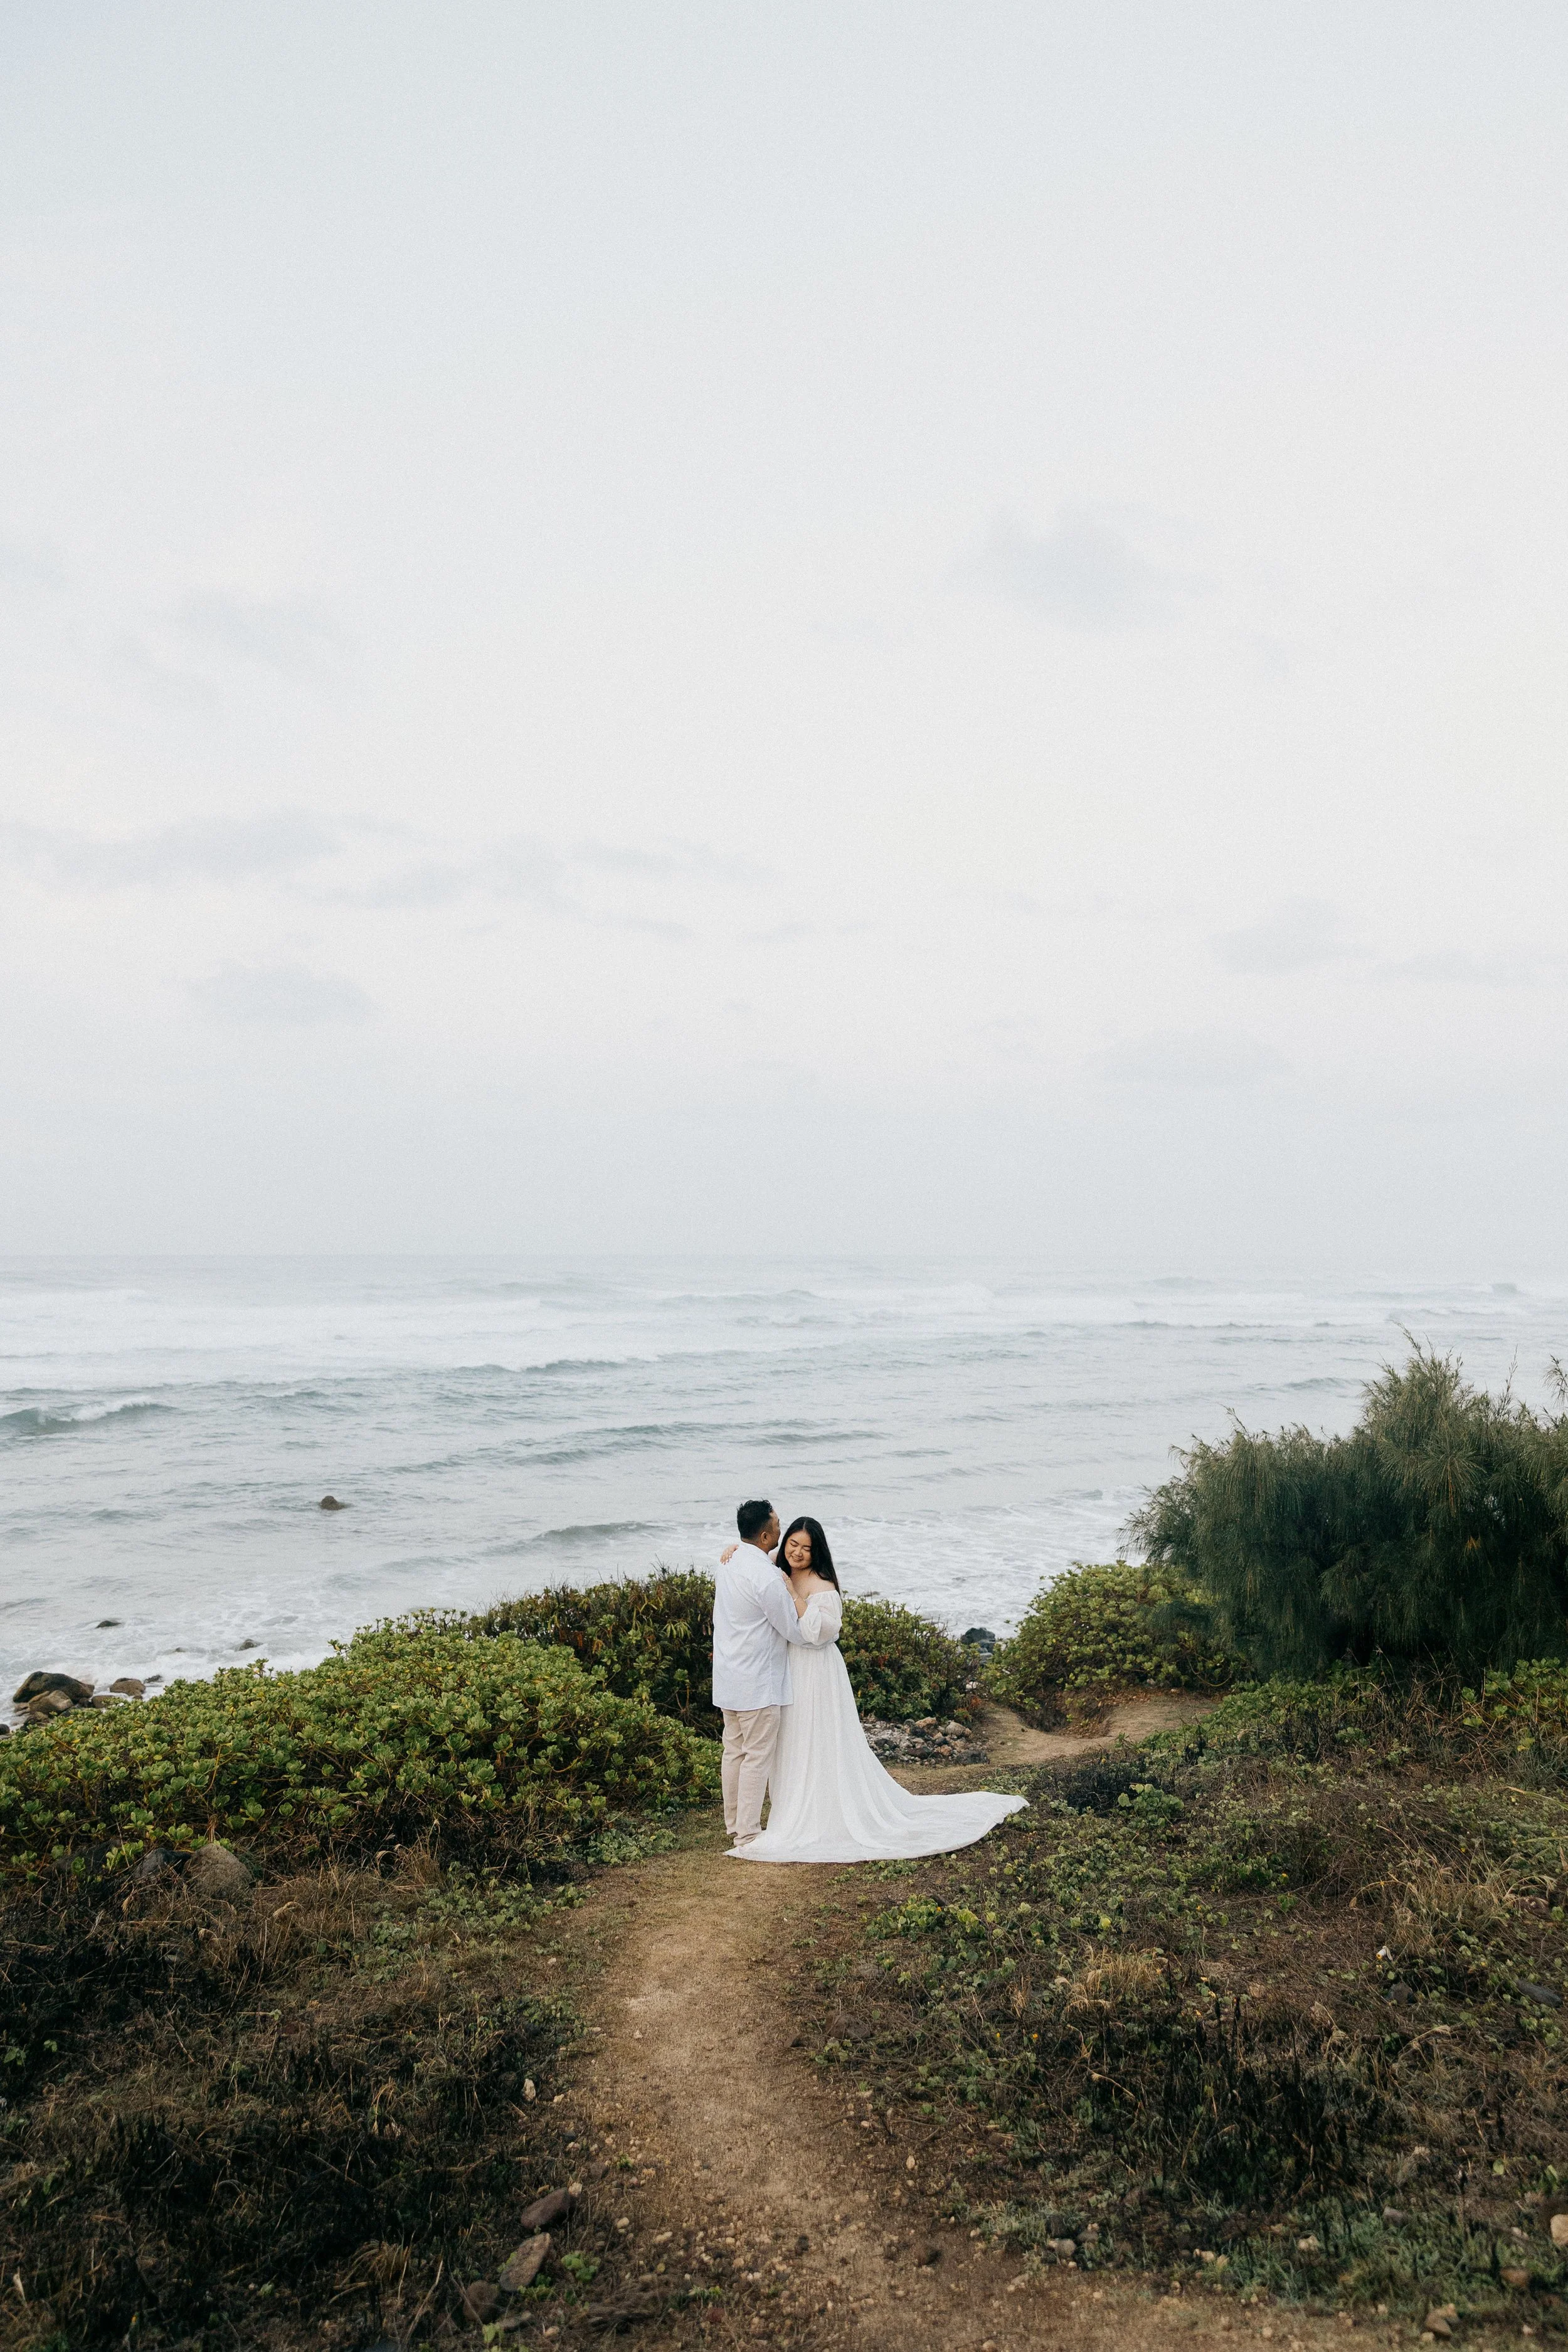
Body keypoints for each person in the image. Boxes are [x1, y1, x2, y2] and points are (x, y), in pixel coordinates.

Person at [719, 1515, 1027, 1864]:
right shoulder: (774, 1564)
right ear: (781, 1540)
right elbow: (753, 1558)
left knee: (818, 1738)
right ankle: (781, 1809)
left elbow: (822, 1633)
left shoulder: (823, 1585)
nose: (798, 1553)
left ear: (817, 1551)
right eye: (793, 1544)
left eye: (806, 1548)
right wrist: (735, 1549)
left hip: (815, 1670)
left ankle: (818, 1811)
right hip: (786, 1668)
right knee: (789, 1740)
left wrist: (793, 1595)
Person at [711, 1498, 825, 1854]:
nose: (781, 1527)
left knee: (734, 1752)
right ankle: (747, 1834)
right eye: (777, 1525)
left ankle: (734, 1825)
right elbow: (791, 1628)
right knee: (757, 1756)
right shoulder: (765, 1576)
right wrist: (822, 1632)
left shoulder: (729, 1563)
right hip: (758, 1680)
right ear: (764, 1535)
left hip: (729, 1676)